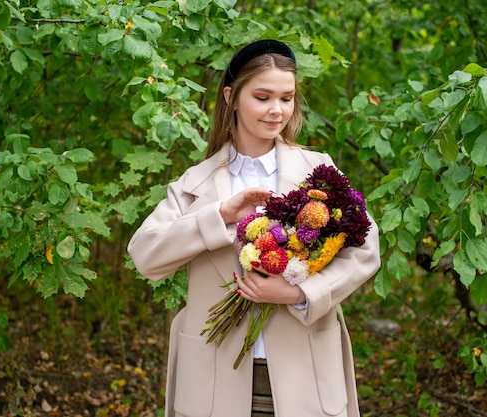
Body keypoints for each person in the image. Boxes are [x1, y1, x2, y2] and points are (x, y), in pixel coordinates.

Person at [127, 39, 381, 417]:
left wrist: (300, 293)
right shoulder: (196, 182)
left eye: (287, 98)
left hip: (306, 373)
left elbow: (365, 250)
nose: (277, 110)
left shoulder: (317, 171)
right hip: (212, 379)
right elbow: (145, 255)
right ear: (231, 96)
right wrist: (219, 216)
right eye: (263, 97)